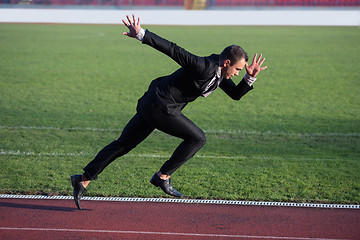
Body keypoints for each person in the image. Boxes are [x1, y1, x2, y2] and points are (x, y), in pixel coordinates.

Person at [71, 14, 267, 210]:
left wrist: (249, 79)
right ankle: (162, 176)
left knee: (123, 145)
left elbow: (235, 94)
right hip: (160, 105)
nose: (237, 73)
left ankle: (83, 179)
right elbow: (173, 50)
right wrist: (141, 34)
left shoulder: (220, 74)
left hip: (153, 103)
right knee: (198, 138)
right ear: (226, 63)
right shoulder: (203, 66)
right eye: (238, 69)